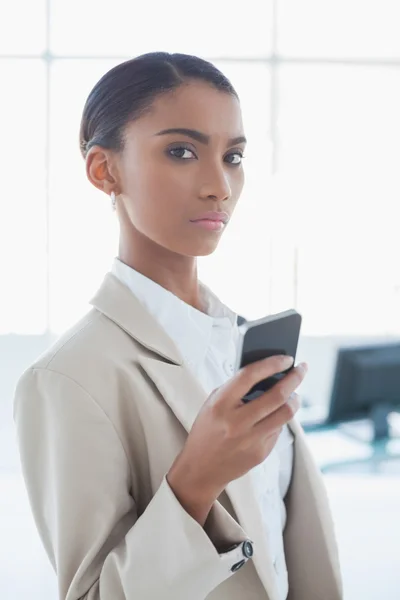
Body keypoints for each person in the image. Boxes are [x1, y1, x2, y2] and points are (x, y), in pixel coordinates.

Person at [13, 52, 342, 600]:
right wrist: (194, 483)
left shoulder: (239, 344)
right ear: (104, 170)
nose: (220, 185)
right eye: (182, 151)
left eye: (233, 156)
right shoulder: (67, 379)